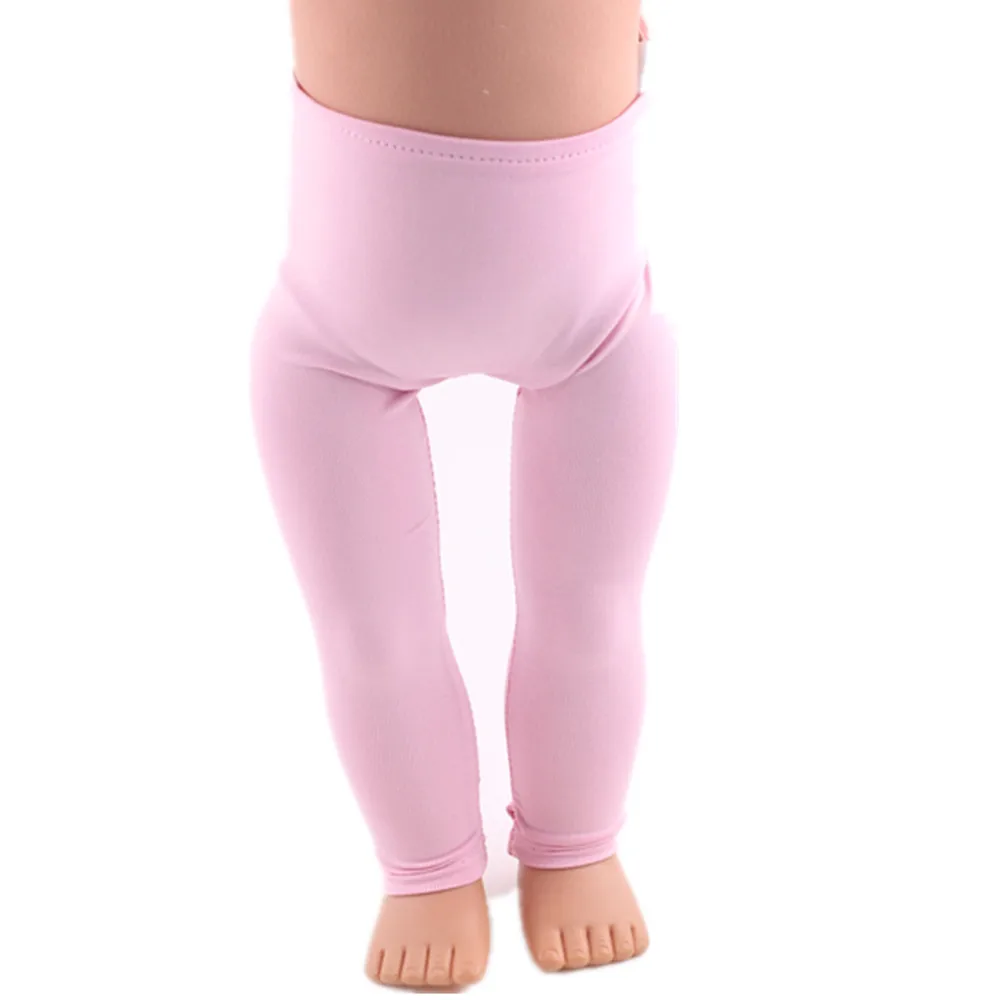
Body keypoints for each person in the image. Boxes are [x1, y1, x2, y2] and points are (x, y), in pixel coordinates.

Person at [249, 1, 676, 988]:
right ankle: (427, 865)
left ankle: (575, 842)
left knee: (592, 610)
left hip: (595, 323)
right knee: (374, 632)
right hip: (334, 341)